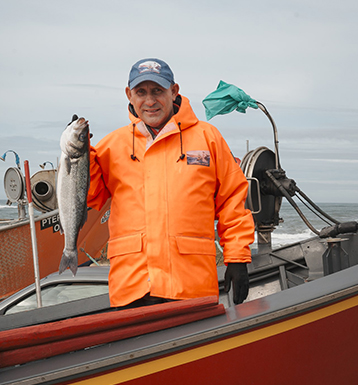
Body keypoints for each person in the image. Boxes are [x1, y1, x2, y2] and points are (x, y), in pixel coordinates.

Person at [87, 58, 255, 307]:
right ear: (129, 95)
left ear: (174, 91)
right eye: (141, 92)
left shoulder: (208, 138)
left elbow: (232, 201)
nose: (150, 101)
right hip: (132, 286)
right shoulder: (111, 145)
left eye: (158, 91)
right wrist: (81, 158)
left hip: (192, 285)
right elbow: (92, 197)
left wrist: (238, 258)